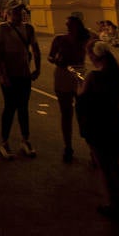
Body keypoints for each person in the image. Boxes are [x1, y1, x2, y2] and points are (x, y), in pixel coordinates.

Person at [76, 42, 119, 220]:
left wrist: (79, 83)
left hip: (99, 126)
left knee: (106, 168)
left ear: (95, 56)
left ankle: (114, 203)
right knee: (115, 165)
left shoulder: (93, 76)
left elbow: (82, 98)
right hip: (117, 123)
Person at [0, 1, 41, 159]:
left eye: (20, 12)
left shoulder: (28, 28)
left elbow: (35, 49)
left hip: (24, 74)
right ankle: (4, 141)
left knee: (23, 108)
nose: (18, 15)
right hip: (9, 74)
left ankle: (25, 139)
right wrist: (2, 74)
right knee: (9, 107)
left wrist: (37, 69)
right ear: (8, 14)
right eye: (14, 12)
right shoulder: (2, 29)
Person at [48, 15, 92, 163]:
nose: (68, 27)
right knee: (66, 113)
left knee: (84, 113)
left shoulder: (85, 39)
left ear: (78, 26)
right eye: (67, 24)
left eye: (71, 25)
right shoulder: (59, 39)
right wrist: (56, 59)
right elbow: (50, 56)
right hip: (63, 73)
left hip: (79, 73)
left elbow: (97, 50)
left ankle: (92, 149)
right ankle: (68, 147)